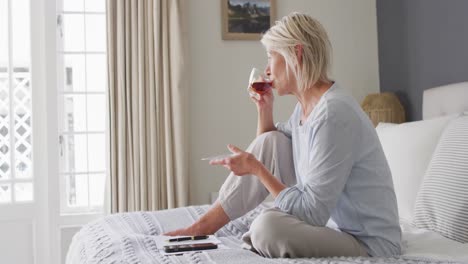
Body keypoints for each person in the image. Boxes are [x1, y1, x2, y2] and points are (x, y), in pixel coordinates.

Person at [166, 12, 401, 258]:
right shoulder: (307, 106)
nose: (267, 70)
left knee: (266, 228)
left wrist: (256, 169)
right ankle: (204, 226)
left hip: (370, 244)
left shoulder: (333, 113)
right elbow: (269, 148)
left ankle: (209, 226)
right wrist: (264, 110)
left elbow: (312, 212)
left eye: (271, 57)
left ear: (296, 54)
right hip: (335, 226)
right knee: (273, 141)